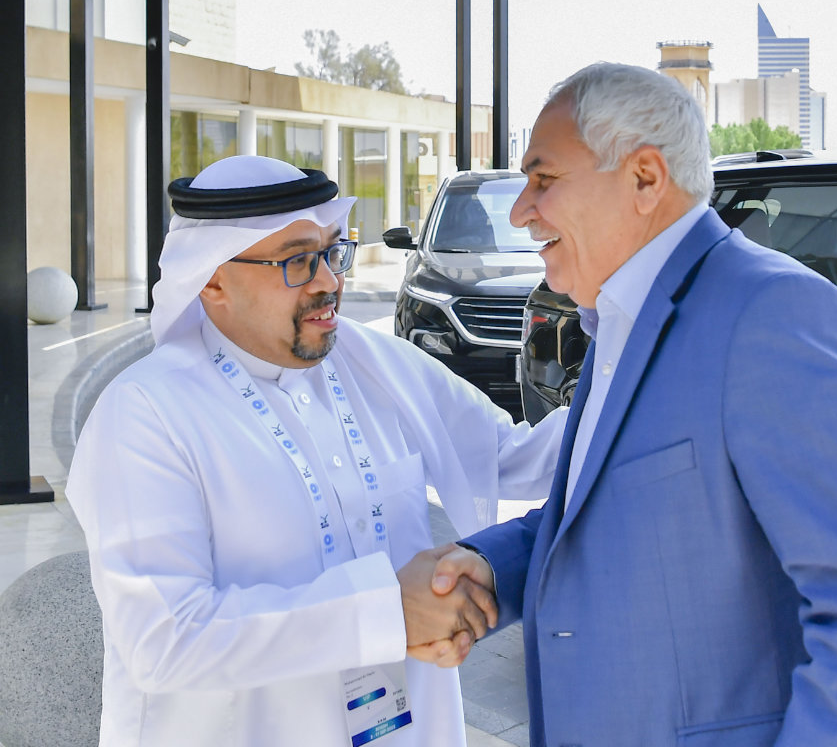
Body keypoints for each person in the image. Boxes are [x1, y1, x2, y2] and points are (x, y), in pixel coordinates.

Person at [418, 63, 837, 746]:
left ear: (644, 178)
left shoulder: (776, 316)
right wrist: (491, 567)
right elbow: (610, 514)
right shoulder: (615, 321)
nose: (520, 210)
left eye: (543, 179)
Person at [66, 155, 566, 747]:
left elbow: (515, 455)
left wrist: (640, 384)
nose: (329, 280)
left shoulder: (367, 359)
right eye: (297, 262)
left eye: (333, 252)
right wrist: (384, 613)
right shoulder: (146, 414)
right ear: (212, 280)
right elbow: (164, 638)